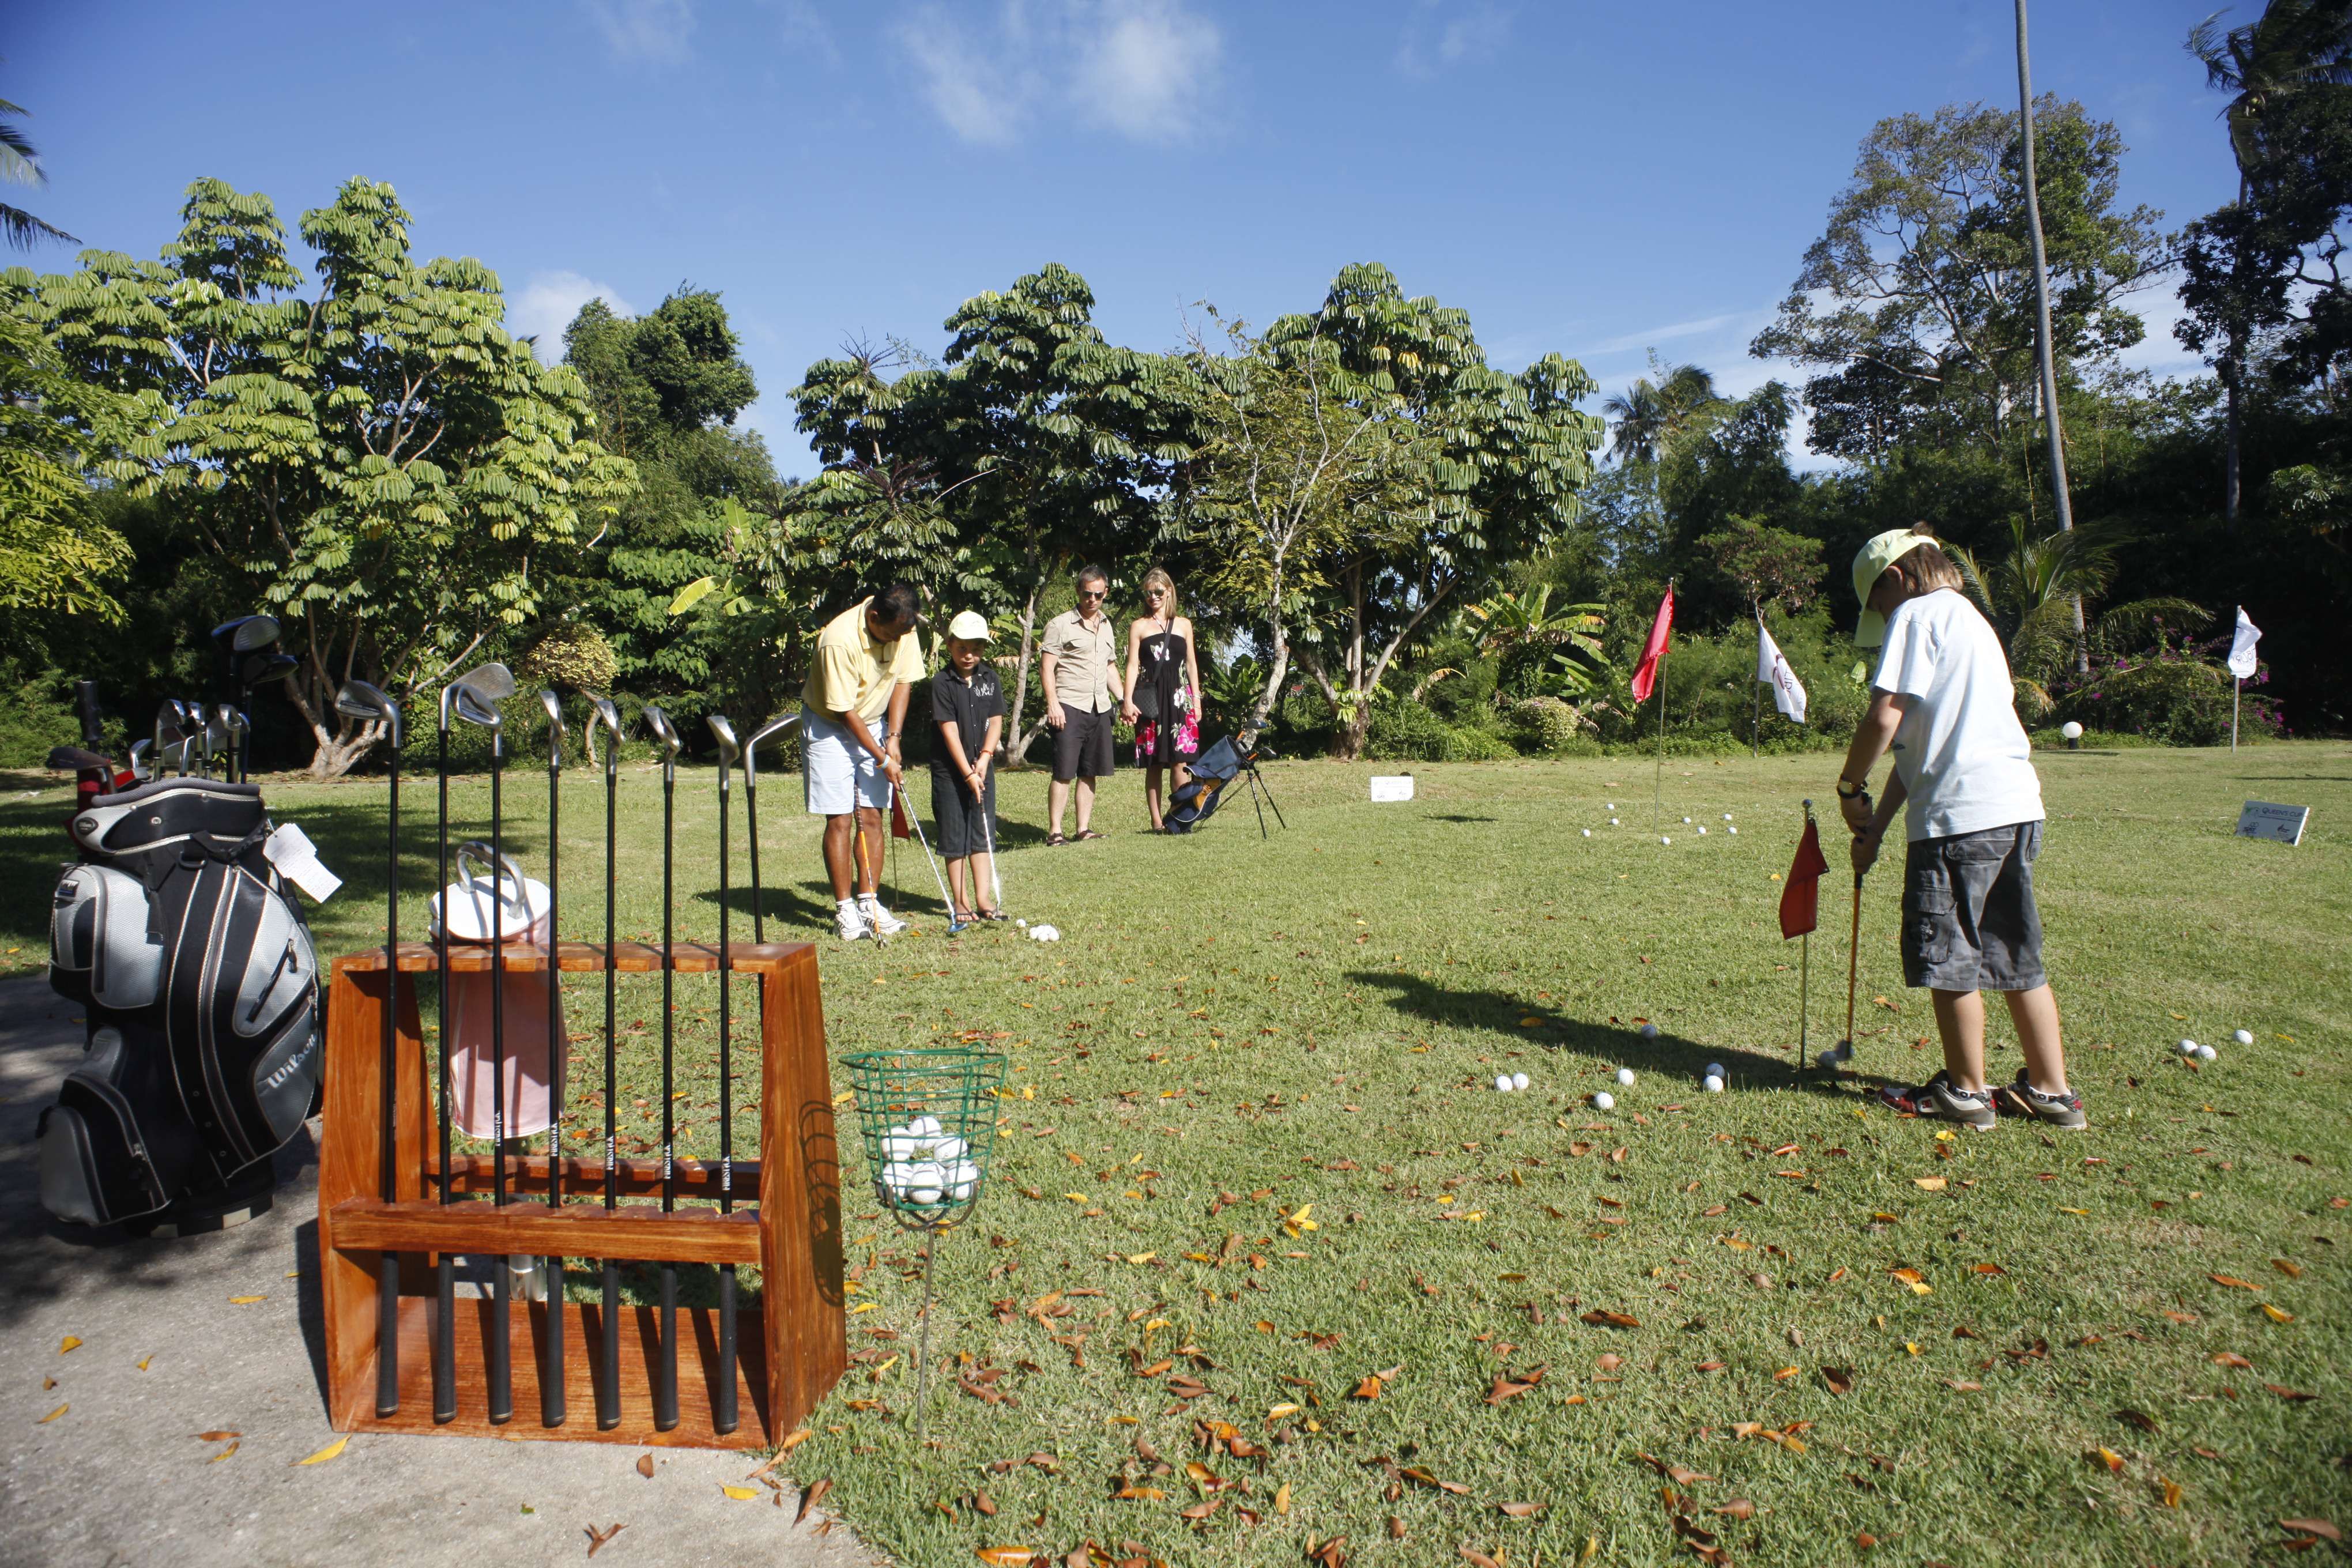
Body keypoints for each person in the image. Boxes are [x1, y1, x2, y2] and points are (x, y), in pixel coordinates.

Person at [1838, 525, 2085, 1132]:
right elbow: (1919, 749)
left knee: (1949, 953)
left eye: (1878, 604)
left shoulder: (1917, 615)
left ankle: (1966, 1091)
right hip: (2014, 808)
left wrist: (1848, 786)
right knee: (2015, 952)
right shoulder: (1975, 623)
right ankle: (2053, 1092)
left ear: (1895, 578)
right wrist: (1878, 826)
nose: (1883, 616)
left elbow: (1885, 717)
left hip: (1958, 820)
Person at [802, 583, 924, 941]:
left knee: (872, 815)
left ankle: (870, 904)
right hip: (829, 725)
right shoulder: (838, 641)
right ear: (873, 617)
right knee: (840, 818)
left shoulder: (905, 627)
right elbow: (843, 711)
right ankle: (845, 910)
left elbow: (903, 682)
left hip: (874, 723)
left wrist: (894, 738)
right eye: (893, 633)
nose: (899, 639)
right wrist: (883, 758)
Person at [1038, 563, 1124, 845]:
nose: (1093, 600)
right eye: (1088, 594)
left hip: (1100, 708)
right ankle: (1055, 832)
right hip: (1069, 705)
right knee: (1064, 771)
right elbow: (1047, 667)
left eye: (1098, 595)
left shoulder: (1107, 626)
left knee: (1090, 771)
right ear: (1079, 591)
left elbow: (1110, 667)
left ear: (1106, 593)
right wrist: (1053, 704)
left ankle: (1083, 829)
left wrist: (1124, 700)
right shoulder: (1060, 625)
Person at [930, 609, 1006, 923]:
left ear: (984, 648)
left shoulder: (991, 679)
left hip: (981, 768)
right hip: (951, 772)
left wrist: (985, 760)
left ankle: (983, 899)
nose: (969, 654)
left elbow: (996, 721)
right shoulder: (941, 682)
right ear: (949, 645)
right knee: (954, 834)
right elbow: (948, 731)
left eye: (976, 648)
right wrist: (967, 773)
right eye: (962, 648)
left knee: (982, 832)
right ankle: (960, 902)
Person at [1120, 566, 1203, 831]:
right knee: (1154, 762)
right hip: (1151, 700)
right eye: (1148, 593)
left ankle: (1179, 816)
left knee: (1180, 760)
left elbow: (1191, 665)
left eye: (1158, 592)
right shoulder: (1138, 626)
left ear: (1169, 592)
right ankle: (1157, 822)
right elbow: (1132, 665)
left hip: (1180, 698)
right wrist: (1126, 700)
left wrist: (1197, 700)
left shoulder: (1184, 625)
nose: (1153, 597)